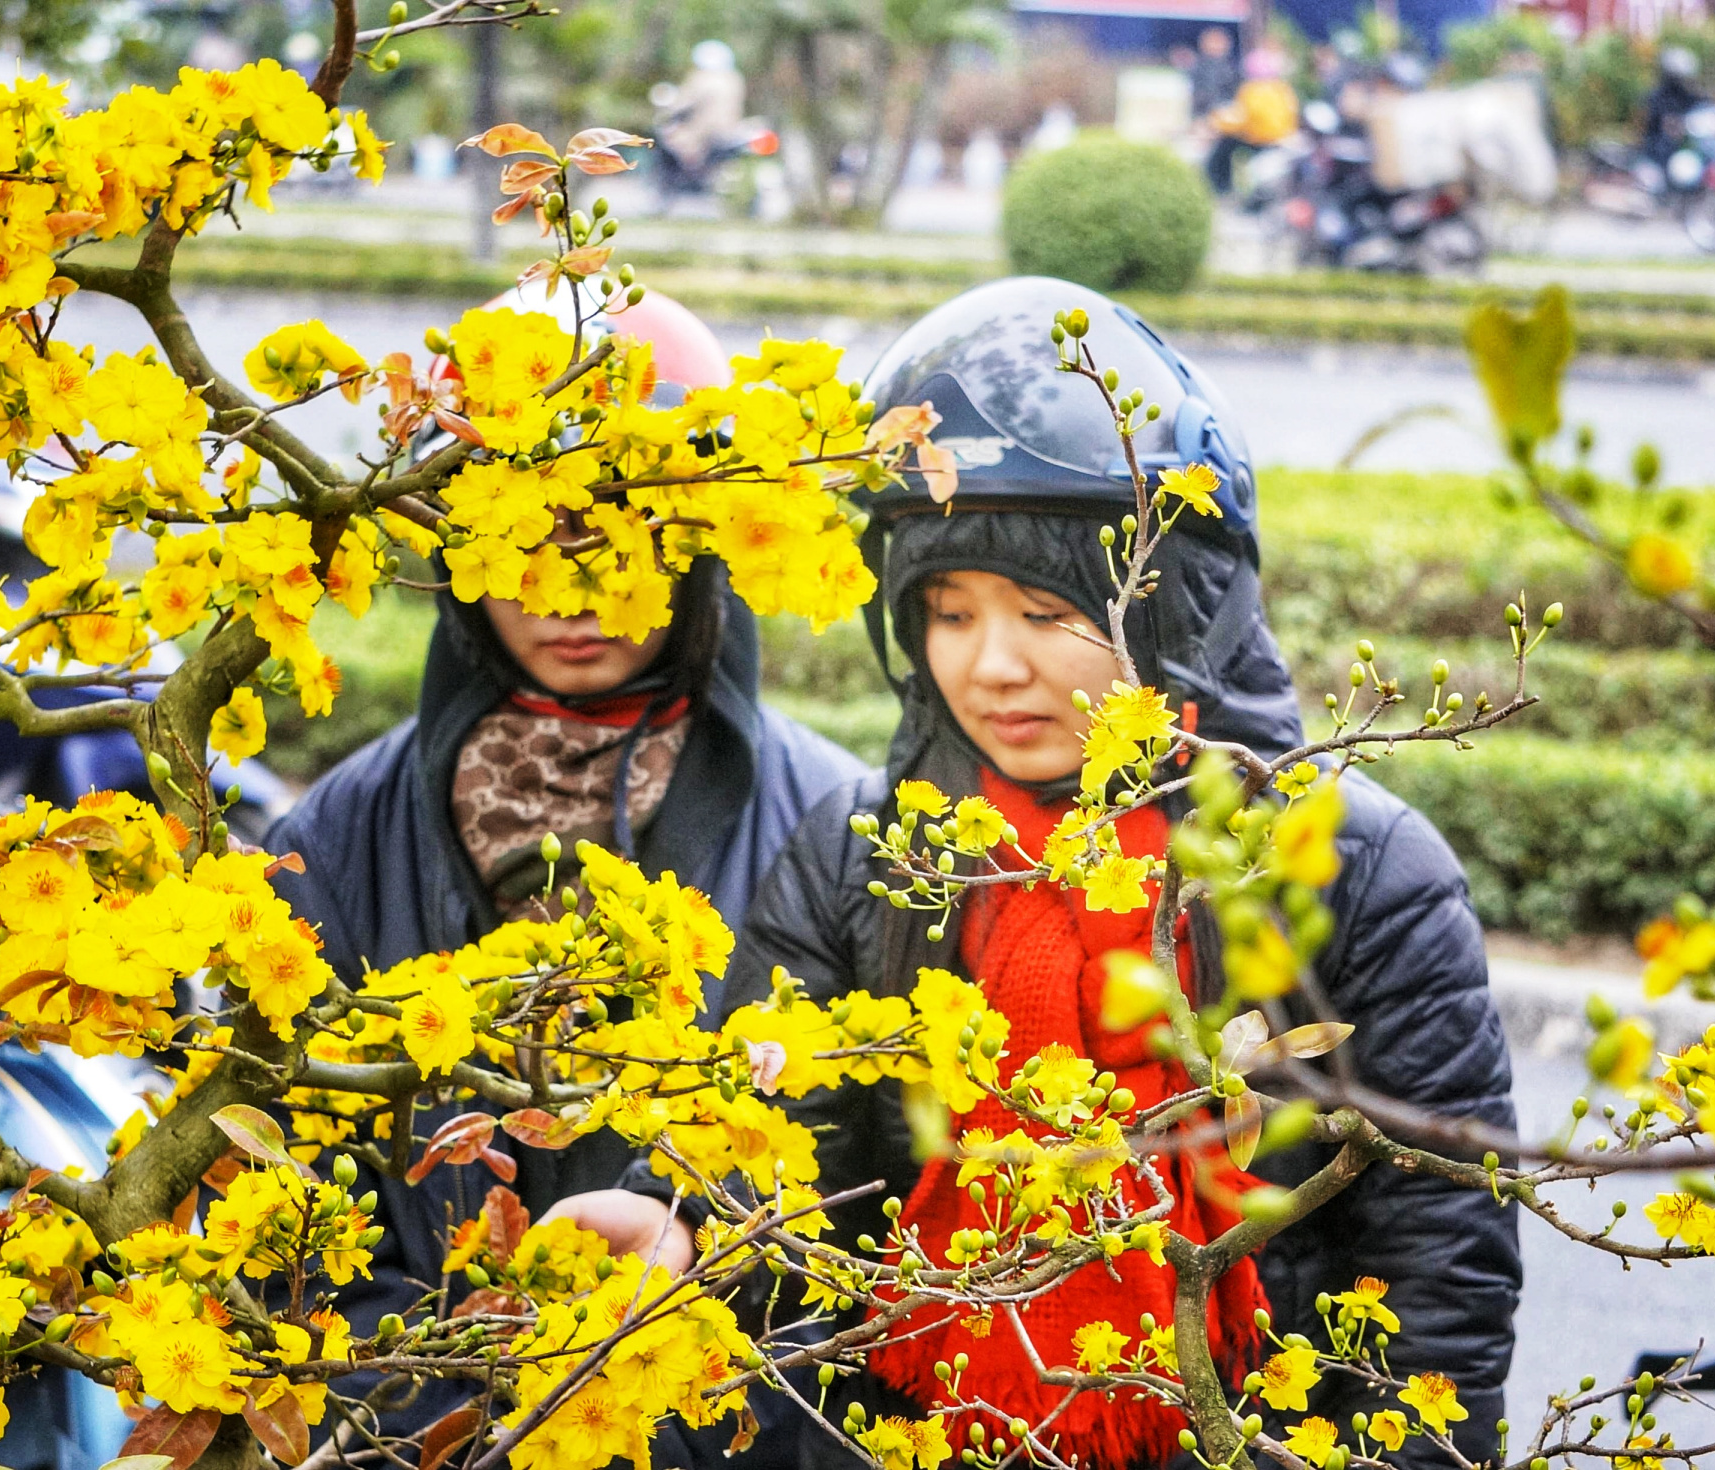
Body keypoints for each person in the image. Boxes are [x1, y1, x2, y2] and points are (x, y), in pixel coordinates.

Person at [564, 278, 1522, 1470]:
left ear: (1168, 607)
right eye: (951, 612)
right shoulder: (869, 859)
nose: (994, 666)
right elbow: (785, 1188)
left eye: (1044, 609)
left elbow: (1443, 1271)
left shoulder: (1352, 869)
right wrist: (684, 1236)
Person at [261, 292, 868, 1457]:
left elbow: (855, 1184)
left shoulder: (835, 823)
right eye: (521, 535)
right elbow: (300, 1216)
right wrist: (456, 1412)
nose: (568, 590)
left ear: (699, 544)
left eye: (616, 534)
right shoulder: (341, 831)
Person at [1205, 44, 1300, 194]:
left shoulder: (1252, 90)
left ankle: (1221, 187)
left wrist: (1216, 122)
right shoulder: (1284, 89)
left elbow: (1240, 119)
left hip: (1261, 140)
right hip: (1282, 139)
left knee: (1224, 147)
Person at [655, 40, 749, 191]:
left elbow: (682, 103)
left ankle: (686, 175)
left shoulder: (701, 78)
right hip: (730, 130)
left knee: (674, 141)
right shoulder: (735, 78)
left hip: (702, 131)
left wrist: (669, 111)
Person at [1189, 26, 1243, 117]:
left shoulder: (1232, 69)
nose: (1215, 46)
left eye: (1219, 42)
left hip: (1226, 114)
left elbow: (1237, 92)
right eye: (1212, 42)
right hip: (1202, 115)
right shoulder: (1196, 68)